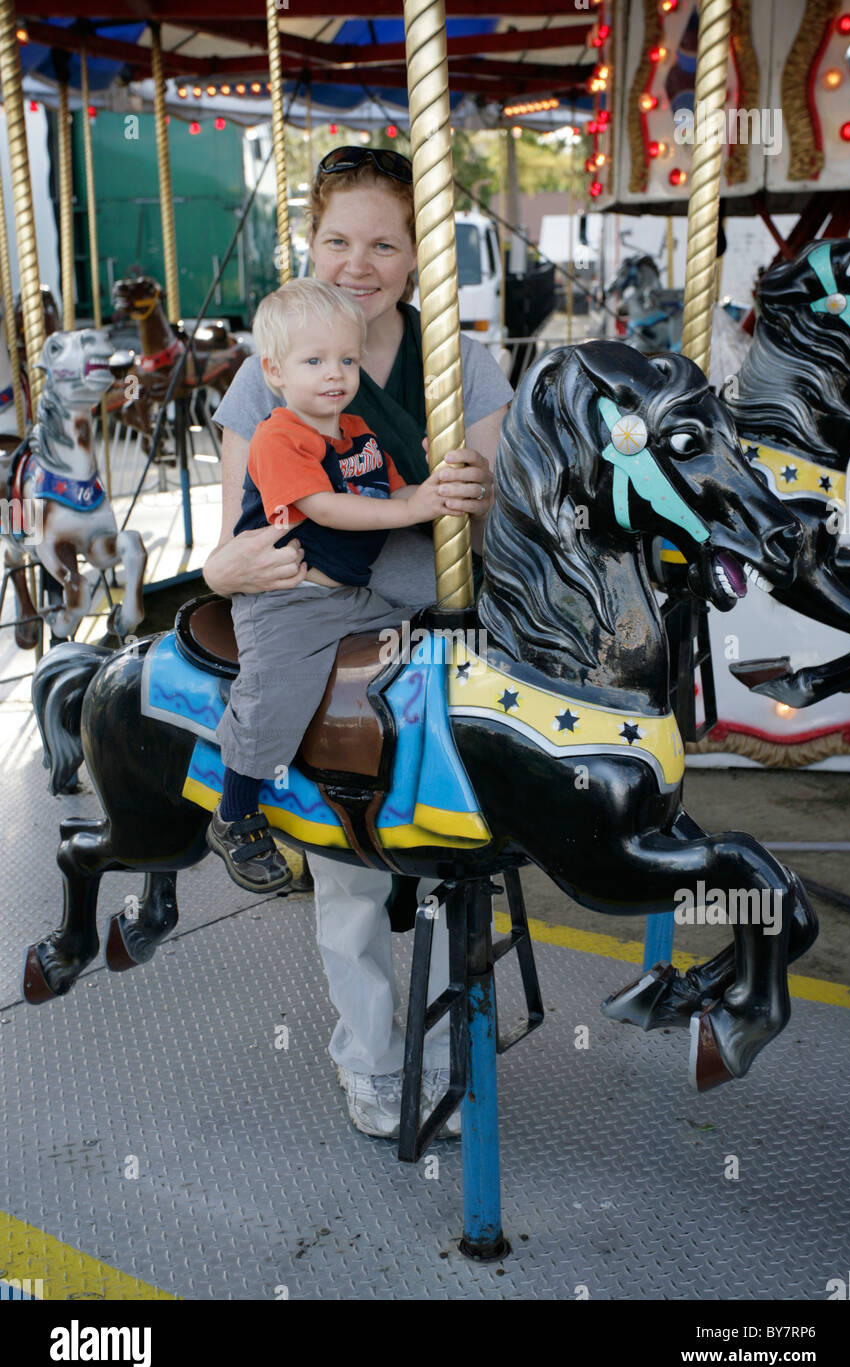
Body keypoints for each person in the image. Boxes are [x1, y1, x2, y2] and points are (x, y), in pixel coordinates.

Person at [205, 146, 513, 1138]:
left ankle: (444, 1036)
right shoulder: (269, 373)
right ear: (309, 242)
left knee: (456, 857)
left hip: (450, 638)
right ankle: (371, 1059)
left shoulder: (460, 362)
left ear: (419, 253)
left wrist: (481, 491)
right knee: (349, 877)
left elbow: (500, 505)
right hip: (338, 646)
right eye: (337, 239)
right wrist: (226, 574)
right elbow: (226, 551)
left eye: (385, 242)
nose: (359, 262)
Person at [208, 277, 450, 892]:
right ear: (276, 370)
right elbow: (326, 507)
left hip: (346, 597)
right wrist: (414, 509)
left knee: (421, 641)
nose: (334, 373)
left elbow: (390, 490)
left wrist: (425, 491)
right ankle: (235, 810)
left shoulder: (360, 433)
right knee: (276, 691)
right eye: (314, 361)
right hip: (286, 604)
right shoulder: (278, 434)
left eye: (346, 359)